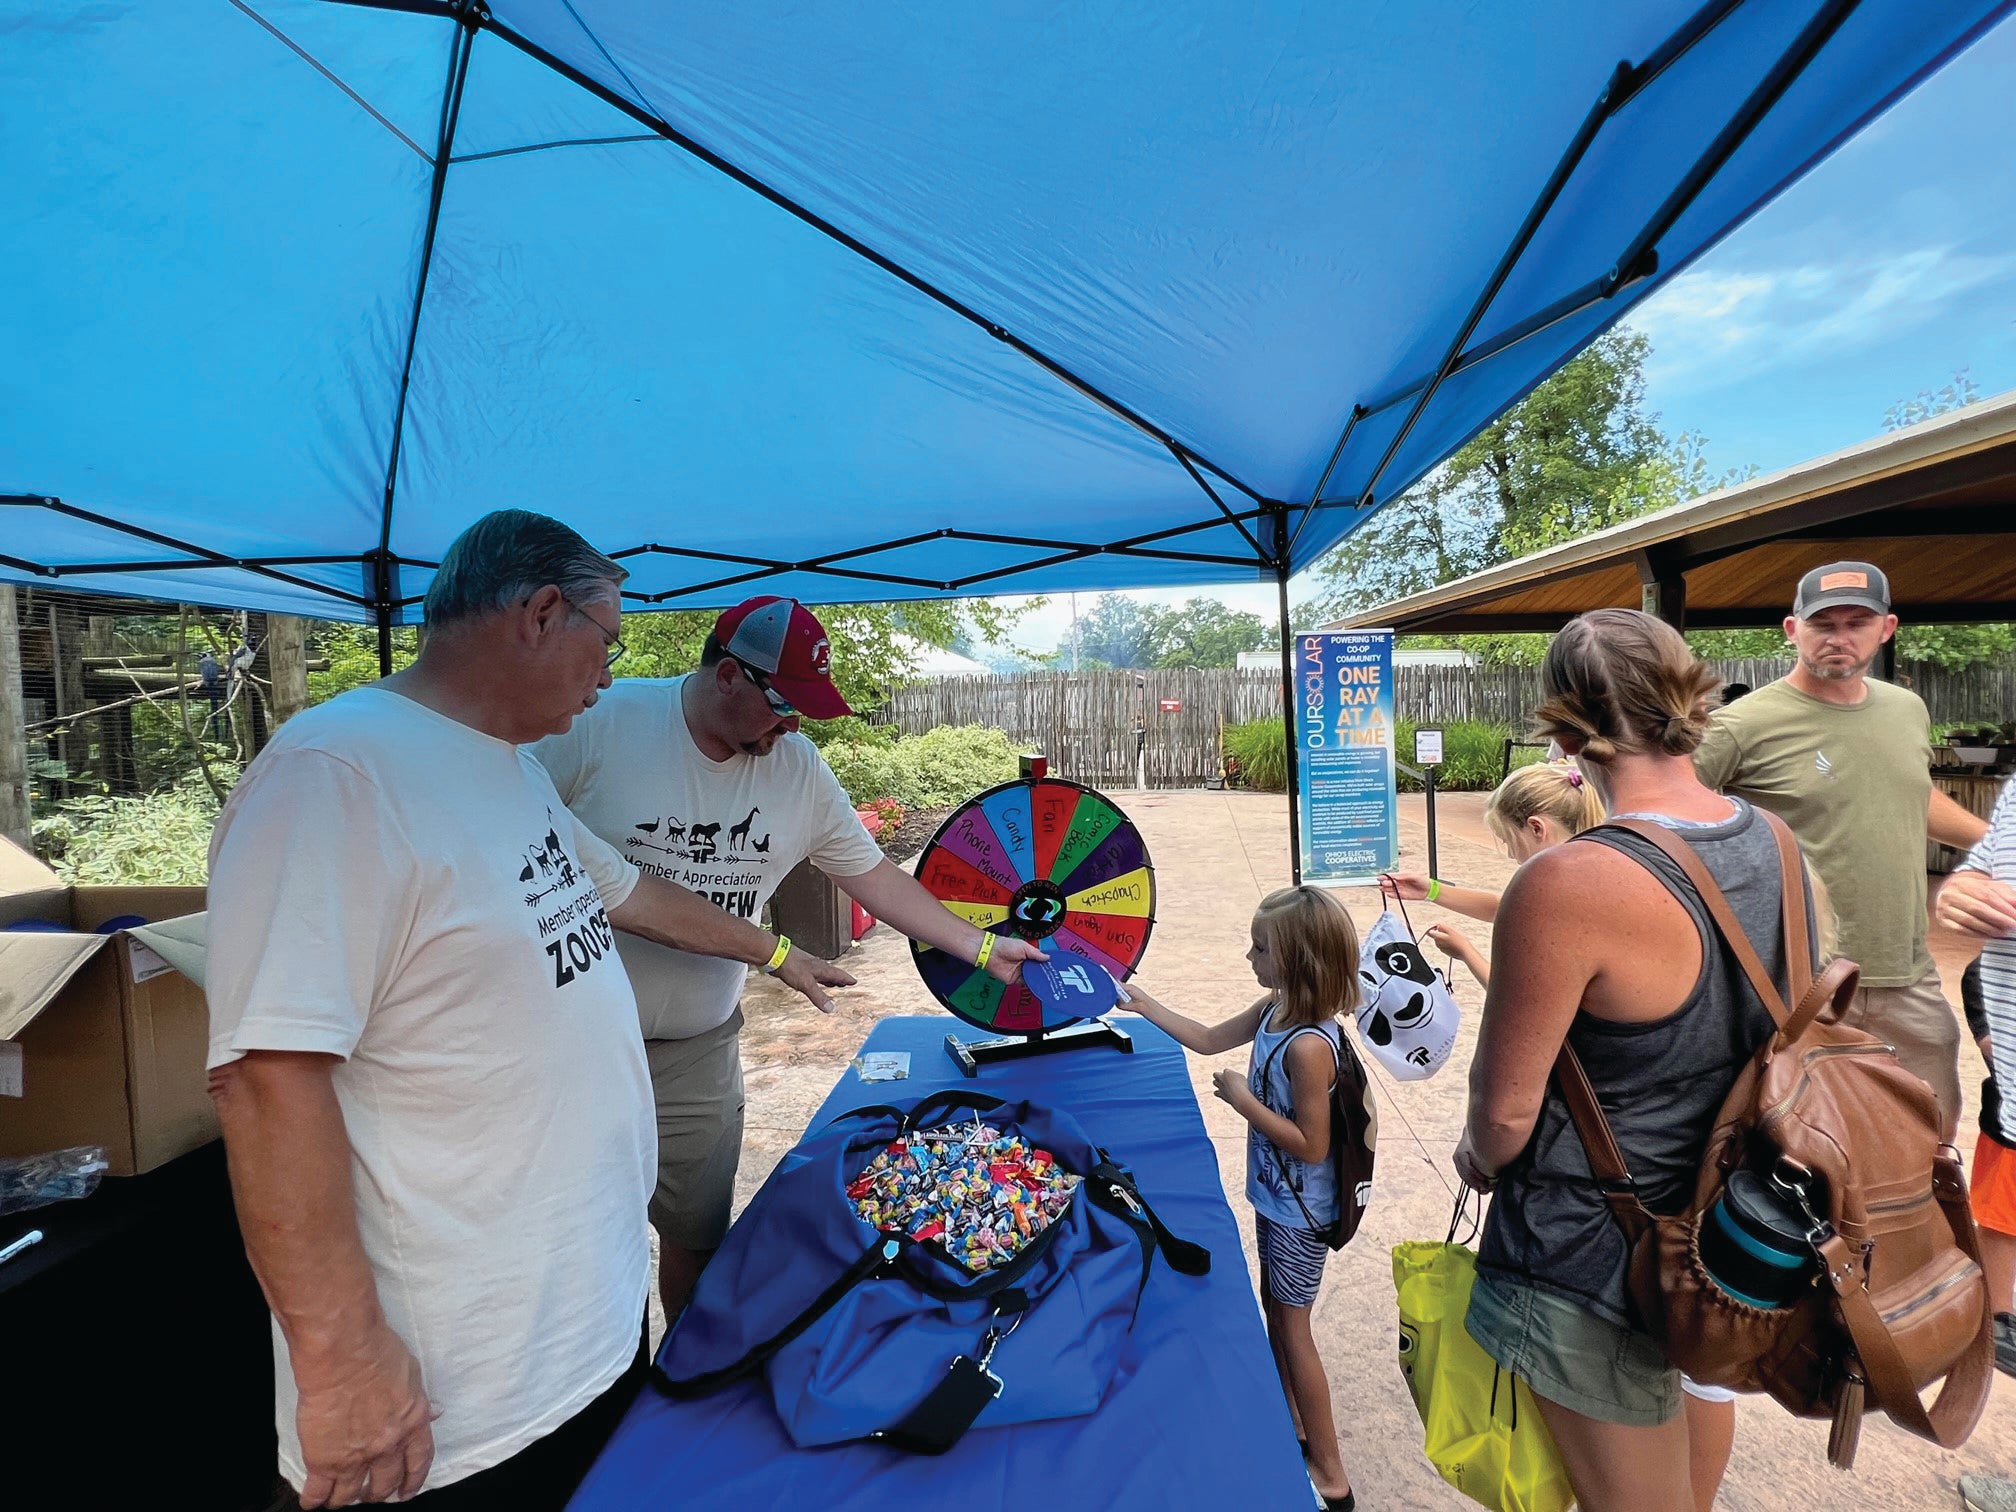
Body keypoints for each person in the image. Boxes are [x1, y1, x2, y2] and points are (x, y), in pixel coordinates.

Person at [207, 512, 855, 1511]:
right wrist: (341, 1364)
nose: (612, 669)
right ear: (542, 614)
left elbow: (633, 894)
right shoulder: (334, 775)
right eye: (612, 637)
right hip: (462, 1397)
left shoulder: (504, 765)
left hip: (581, 1338)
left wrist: (774, 951)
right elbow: (264, 1078)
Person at [531, 596, 1046, 1319]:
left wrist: (983, 947)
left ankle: (685, 1386)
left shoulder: (796, 769)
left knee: (699, 1239)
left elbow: (875, 878)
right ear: (730, 677)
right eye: (782, 706)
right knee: (581, 1246)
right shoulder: (598, 724)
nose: (793, 728)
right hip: (568, 1043)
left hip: (696, 1048)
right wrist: (779, 953)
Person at [1456, 608, 1809, 1512]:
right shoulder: (1774, 840)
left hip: (1595, 1253)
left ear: (1566, 733)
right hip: (1724, 1237)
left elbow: (1503, 1118)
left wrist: (1475, 1160)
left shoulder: (1570, 880)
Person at [1391, 760, 1738, 1512]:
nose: (1516, 861)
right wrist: (1440, 891)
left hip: (1599, 1198)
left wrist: (1471, 957)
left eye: (1515, 844)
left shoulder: (1564, 885)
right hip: (1698, 1177)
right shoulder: (1650, 868)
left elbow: (1538, 1012)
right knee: (1701, 1379)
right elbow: (1515, 902)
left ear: (1539, 830)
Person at [1693, 560, 1987, 1138]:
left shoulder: (1905, 709)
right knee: (1800, 1145)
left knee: (1927, 1137)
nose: (1839, 636)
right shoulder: (1740, 726)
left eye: (1857, 621)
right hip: (1798, 978)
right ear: (1791, 629)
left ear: (1887, 628)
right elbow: (1669, 816)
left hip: (1906, 971)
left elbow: (1907, 795)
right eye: (1822, 623)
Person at [1120, 887, 1363, 1512]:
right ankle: (1291, 1422)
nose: (1248, 956)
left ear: (1300, 961)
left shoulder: (1310, 1045)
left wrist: (1242, 1100)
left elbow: (1313, 1146)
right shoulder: (1272, 1009)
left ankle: (1331, 1472)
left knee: (1292, 1324)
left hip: (1301, 1215)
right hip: (1274, 1201)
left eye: (1261, 948)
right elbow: (1203, 1038)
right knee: (1273, 1307)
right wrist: (1142, 1002)